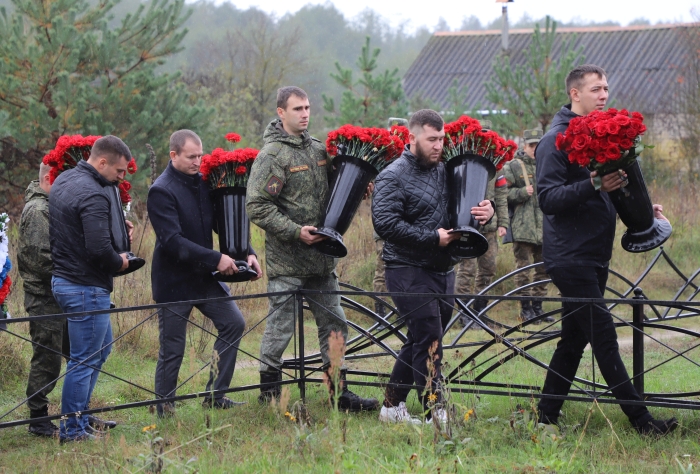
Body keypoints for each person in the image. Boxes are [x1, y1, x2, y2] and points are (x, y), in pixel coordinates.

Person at [535, 64, 677, 435]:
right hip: (569, 257)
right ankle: (642, 422)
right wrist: (595, 182)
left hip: (595, 253)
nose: (603, 96)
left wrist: (644, 209)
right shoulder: (556, 140)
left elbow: (608, 190)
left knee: (573, 341)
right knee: (604, 336)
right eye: (596, 89)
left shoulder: (600, 137)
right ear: (575, 94)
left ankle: (544, 417)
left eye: (606, 89)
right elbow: (549, 199)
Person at [246, 86, 378, 411]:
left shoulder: (319, 150)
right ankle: (270, 395)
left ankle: (339, 393)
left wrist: (358, 189)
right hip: (288, 263)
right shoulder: (272, 156)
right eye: (297, 109)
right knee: (280, 329)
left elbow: (336, 190)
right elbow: (258, 206)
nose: (305, 113)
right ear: (281, 112)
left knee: (335, 324)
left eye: (307, 107)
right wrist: (295, 232)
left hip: (322, 261)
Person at [372, 109, 494, 424]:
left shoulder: (446, 170)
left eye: (441, 138)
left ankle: (391, 406)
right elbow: (384, 223)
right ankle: (435, 412)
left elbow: (463, 207)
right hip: (406, 268)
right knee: (428, 339)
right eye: (431, 139)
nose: (439, 145)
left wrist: (485, 210)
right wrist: (431, 238)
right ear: (412, 137)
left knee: (421, 338)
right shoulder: (392, 175)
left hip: (443, 269)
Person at [148, 129, 260, 417]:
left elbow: (223, 223)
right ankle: (163, 407)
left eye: (200, 155)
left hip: (204, 278)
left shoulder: (205, 183)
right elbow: (172, 242)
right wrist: (216, 259)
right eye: (191, 156)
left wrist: (247, 252)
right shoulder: (160, 190)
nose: (198, 161)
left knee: (233, 322)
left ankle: (215, 395)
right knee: (173, 347)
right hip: (173, 281)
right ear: (173, 155)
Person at [49, 135, 132, 442]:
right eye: (119, 171)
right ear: (101, 162)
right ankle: (72, 430)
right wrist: (121, 261)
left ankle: (81, 414)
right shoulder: (94, 193)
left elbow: (73, 229)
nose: (121, 178)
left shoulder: (64, 180)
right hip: (84, 286)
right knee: (83, 359)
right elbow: (99, 250)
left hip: (63, 280)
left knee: (101, 348)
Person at [18, 163, 70, 437]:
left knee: (78, 355)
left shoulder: (51, 206)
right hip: (44, 297)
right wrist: (78, 268)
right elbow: (41, 260)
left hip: (62, 294)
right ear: (49, 179)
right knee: (47, 359)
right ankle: (38, 419)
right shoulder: (38, 210)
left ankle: (76, 413)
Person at [503, 129, 552, 323]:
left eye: (538, 145)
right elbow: (502, 194)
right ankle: (525, 309)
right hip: (523, 227)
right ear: (525, 146)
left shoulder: (548, 165)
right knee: (523, 269)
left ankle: (538, 307)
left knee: (544, 268)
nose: (535, 149)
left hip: (544, 226)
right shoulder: (514, 166)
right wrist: (522, 192)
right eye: (532, 145)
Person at [454, 174, 508, 323]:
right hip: (468, 224)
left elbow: (501, 198)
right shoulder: (466, 161)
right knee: (467, 269)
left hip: (489, 228)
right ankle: (463, 313)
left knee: (488, 269)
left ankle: (480, 310)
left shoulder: (497, 167)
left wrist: (503, 223)